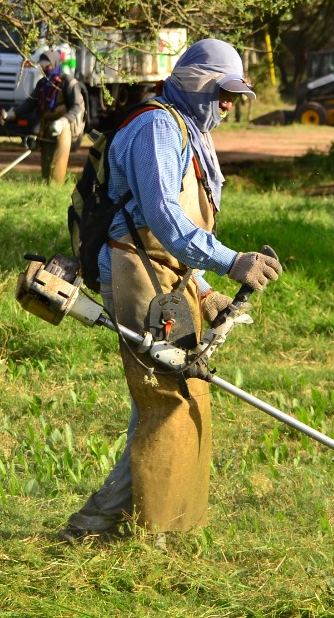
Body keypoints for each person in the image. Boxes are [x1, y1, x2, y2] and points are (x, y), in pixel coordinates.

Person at [59, 38, 283, 545]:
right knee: (166, 399)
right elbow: (162, 219)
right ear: (198, 84)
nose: (229, 105)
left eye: (235, 97)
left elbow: (171, 240)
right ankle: (120, 526)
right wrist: (233, 262)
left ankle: (109, 522)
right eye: (223, 94)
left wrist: (203, 291)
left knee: (164, 399)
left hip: (164, 276)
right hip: (133, 272)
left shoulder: (190, 131)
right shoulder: (157, 127)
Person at [4, 51, 85, 183]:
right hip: (46, 125)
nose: (45, 69)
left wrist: (63, 121)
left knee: (57, 164)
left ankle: (55, 190)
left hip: (63, 127)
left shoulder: (69, 82)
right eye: (42, 66)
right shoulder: (43, 83)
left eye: (48, 66)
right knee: (46, 162)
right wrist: (14, 113)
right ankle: (45, 187)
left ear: (55, 64)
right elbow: (31, 103)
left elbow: (77, 107)